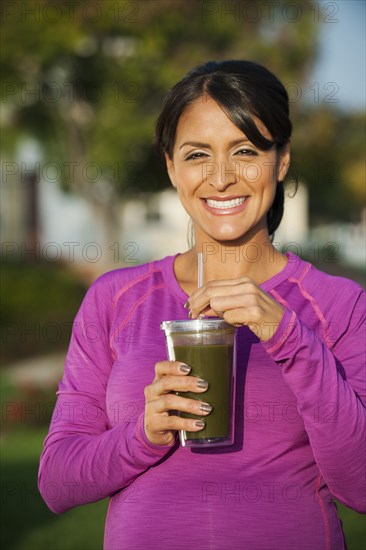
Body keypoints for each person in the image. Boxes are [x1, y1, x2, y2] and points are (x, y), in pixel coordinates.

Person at [38, 60, 365, 550]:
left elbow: (360, 486)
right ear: (171, 166)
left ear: (281, 160)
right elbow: (56, 484)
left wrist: (292, 339)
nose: (221, 177)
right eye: (197, 155)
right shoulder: (114, 299)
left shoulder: (339, 304)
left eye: (246, 151)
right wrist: (142, 434)